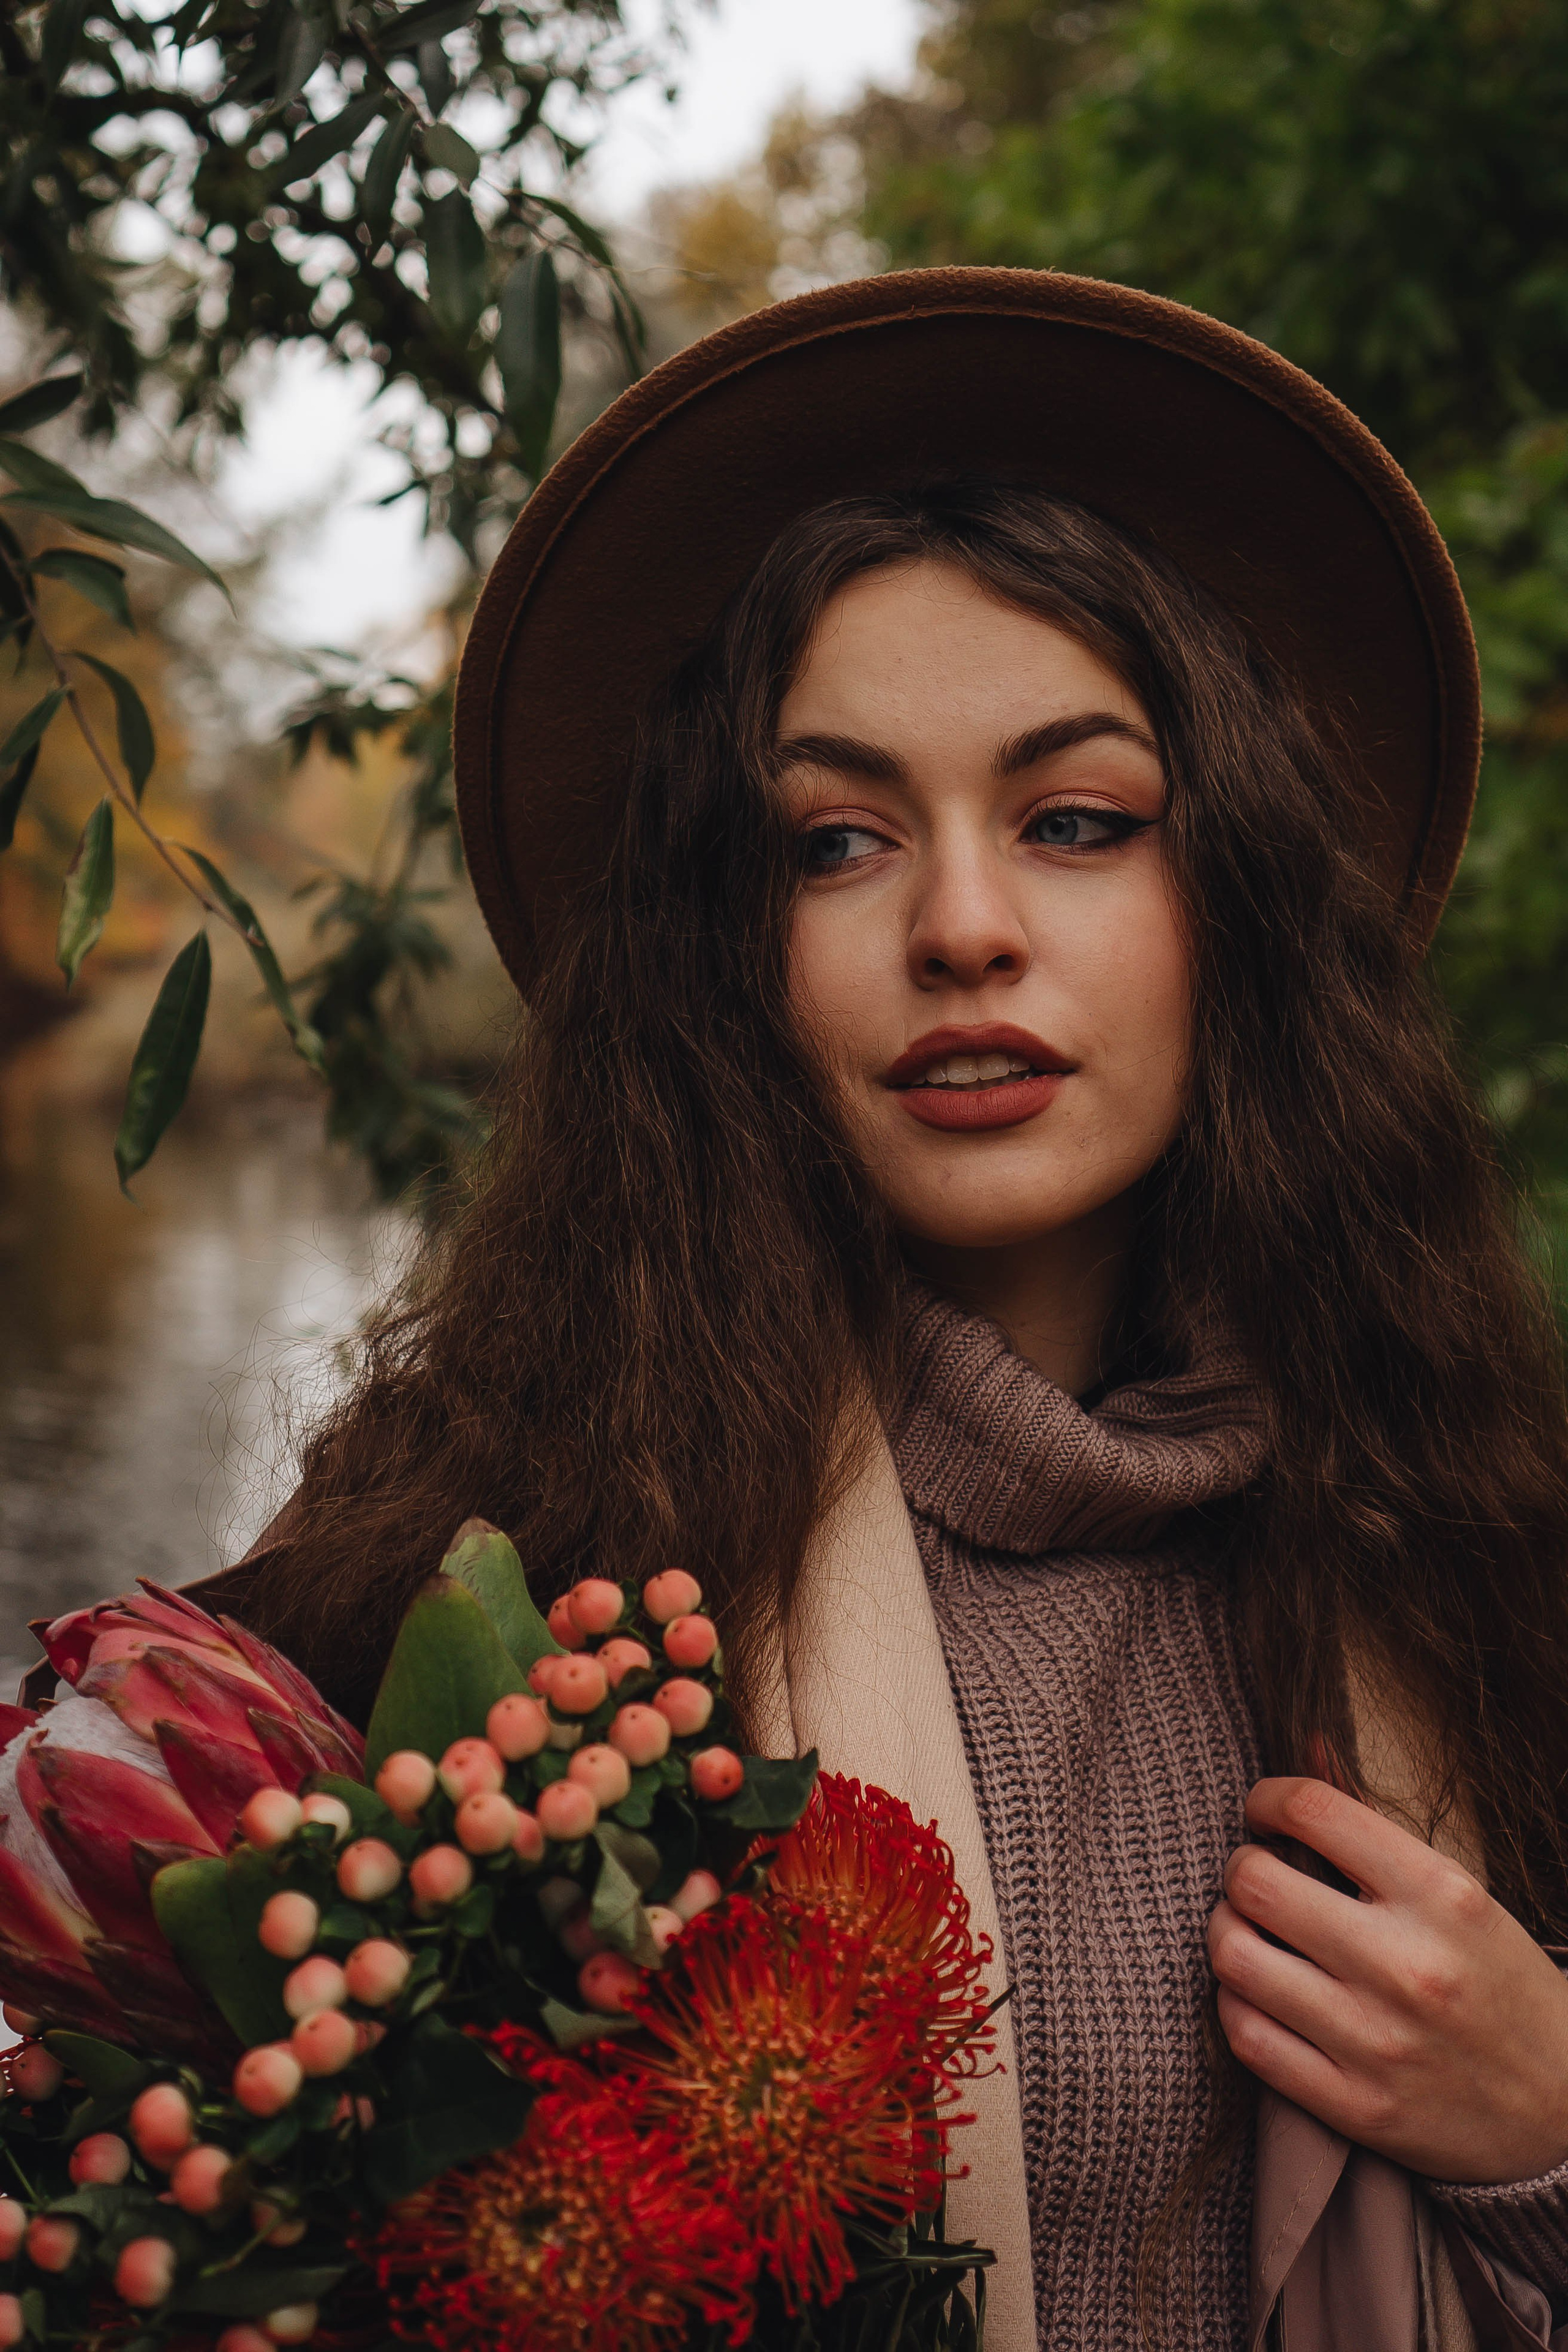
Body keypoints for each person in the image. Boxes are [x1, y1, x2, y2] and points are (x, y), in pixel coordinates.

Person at [209, 273, 1568, 2349]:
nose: (961, 927)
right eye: (835, 843)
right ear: (720, 953)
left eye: (1079, 823)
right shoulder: (500, 1573)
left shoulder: (1485, 1540)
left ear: (1247, 901)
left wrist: (1548, 2133)